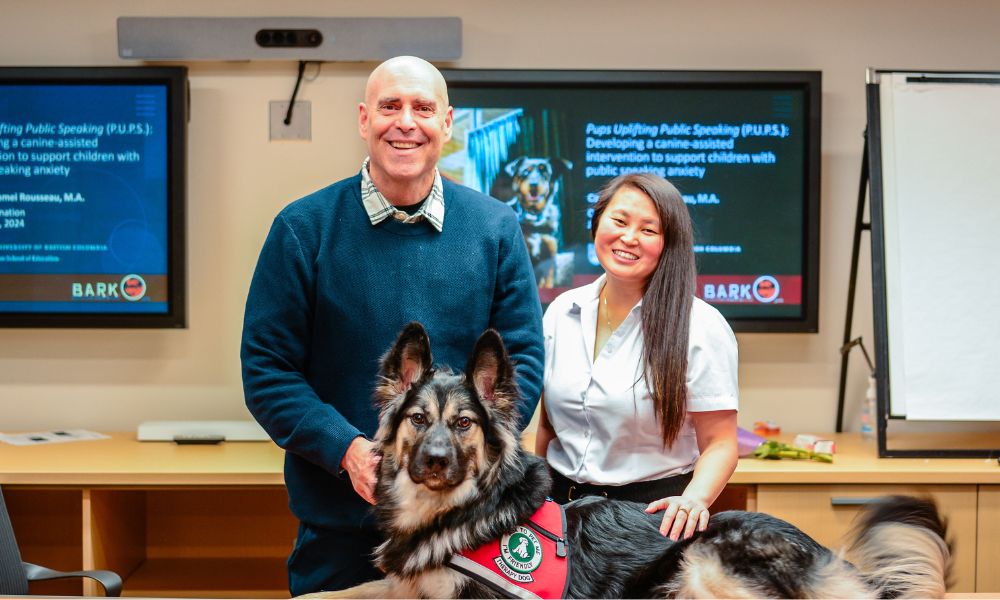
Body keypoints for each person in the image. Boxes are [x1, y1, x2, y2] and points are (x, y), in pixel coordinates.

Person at [241, 56, 544, 596]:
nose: (406, 121)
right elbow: (268, 371)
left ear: (446, 124)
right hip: (339, 526)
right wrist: (348, 450)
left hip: (466, 533)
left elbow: (519, 365)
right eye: (390, 106)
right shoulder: (302, 229)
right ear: (364, 120)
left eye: (423, 108)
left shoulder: (496, 229)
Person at [534, 172, 738, 543]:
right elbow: (549, 430)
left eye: (649, 229)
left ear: (669, 243)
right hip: (558, 517)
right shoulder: (561, 311)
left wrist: (694, 501)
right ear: (598, 223)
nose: (629, 238)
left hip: (647, 524)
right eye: (620, 220)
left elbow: (721, 443)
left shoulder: (701, 325)